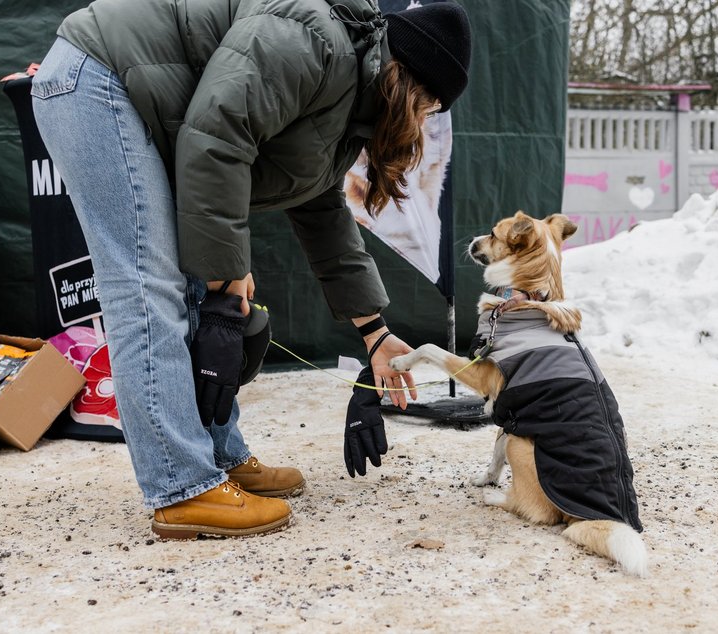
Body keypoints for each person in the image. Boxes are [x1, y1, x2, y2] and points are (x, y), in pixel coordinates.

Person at [30, 0, 472, 539]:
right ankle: (181, 486)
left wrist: (374, 334)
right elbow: (216, 139)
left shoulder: (351, 97)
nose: (423, 123)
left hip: (141, 96)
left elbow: (320, 209)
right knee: (148, 286)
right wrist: (225, 282)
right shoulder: (312, 41)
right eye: (428, 109)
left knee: (199, 291)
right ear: (412, 85)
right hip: (99, 79)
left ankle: (218, 456)